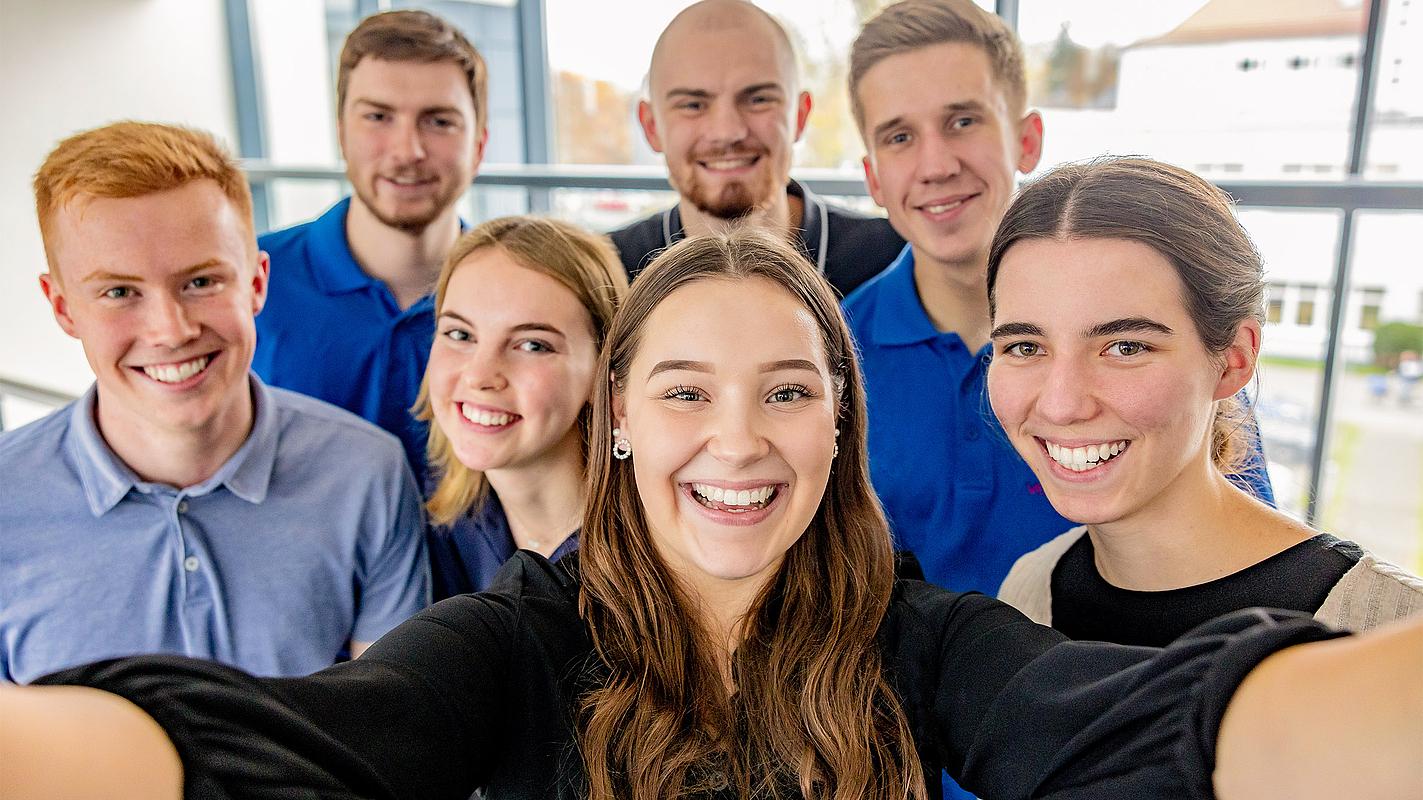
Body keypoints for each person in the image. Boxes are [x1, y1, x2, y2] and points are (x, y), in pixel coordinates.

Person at [5, 232, 1422, 800]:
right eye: (684, 392)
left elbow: (1143, 723)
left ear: (837, 425)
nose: (737, 443)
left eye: (787, 393)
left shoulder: (918, 637)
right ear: (620, 418)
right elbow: (322, 737)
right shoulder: (517, 632)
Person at [841, 0, 1276, 600]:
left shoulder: (1160, 344)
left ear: (1027, 139)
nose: (936, 164)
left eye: (963, 121)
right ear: (872, 177)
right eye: (900, 136)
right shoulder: (832, 357)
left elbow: (1249, 558)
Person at [0, 122, 429, 684]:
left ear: (256, 283)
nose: (171, 330)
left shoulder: (366, 472)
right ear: (62, 308)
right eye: (120, 292)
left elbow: (392, 728)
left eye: (201, 282)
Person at [991, 158, 1423, 642]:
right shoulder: (1027, 592)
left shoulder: (1392, 631)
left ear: (1234, 359)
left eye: (1126, 347)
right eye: (1025, 347)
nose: (1061, 405)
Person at [253, 10, 487, 474]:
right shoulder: (249, 282)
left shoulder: (524, 297)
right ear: (341, 132)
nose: (407, 151)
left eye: (438, 121)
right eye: (378, 117)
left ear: (479, 144)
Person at [609, 0, 904, 296]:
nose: (727, 132)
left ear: (799, 116)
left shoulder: (894, 260)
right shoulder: (608, 276)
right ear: (651, 126)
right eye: (693, 105)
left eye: (758, 99)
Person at [416, 217, 628, 598]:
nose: (481, 375)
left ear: (602, 372)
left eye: (532, 345)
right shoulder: (439, 521)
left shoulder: (653, 550)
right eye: (460, 334)